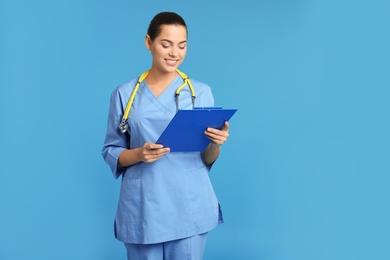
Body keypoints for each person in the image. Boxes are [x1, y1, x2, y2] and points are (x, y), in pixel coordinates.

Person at [101, 12, 230, 260]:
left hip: (189, 205)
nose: (174, 53)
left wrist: (216, 143)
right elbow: (111, 151)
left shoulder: (201, 93)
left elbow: (207, 157)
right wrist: (139, 154)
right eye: (166, 44)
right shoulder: (124, 94)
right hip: (143, 208)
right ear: (149, 42)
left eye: (181, 46)